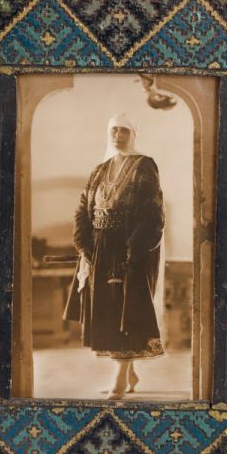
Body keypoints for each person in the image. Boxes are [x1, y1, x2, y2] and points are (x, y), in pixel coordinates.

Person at [63, 113, 164, 399]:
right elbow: (82, 209)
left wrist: (134, 249)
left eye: (124, 130)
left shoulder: (144, 165)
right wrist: (84, 245)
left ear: (133, 134)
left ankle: (119, 379)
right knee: (108, 314)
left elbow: (152, 213)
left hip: (129, 251)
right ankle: (129, 373)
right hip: (99, 250)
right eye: (114, 130)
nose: (118, 135)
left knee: (126, 313)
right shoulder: (99, 170)